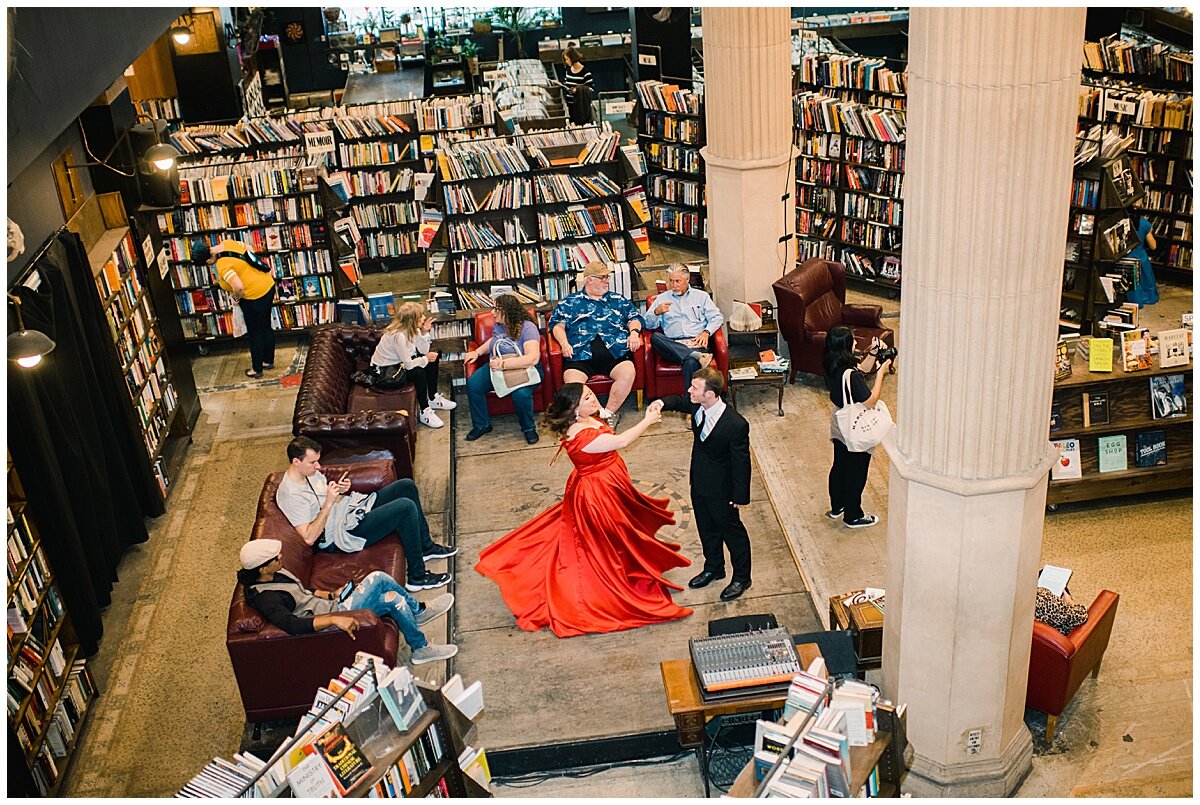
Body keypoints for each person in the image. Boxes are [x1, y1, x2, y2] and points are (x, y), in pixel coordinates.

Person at [475, 383, 693, 638]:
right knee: (602, 540)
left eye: (591, 393)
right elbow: (621, 441)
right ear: (574, 409)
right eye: (587, 397)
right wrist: (647, 421)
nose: (593, 398)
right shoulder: (582, 437)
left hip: (608, 482)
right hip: (598, 493)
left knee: (611, 535)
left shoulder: (587, 419)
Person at [237, 538, 457, 665]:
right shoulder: (267, 598)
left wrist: (332, 594)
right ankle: (418, 611)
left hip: (335, 605)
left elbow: (303, 592)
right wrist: (335, 618)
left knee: (394, 600)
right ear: (263, 568)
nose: (281, 558)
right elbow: (293, 625)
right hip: (333, 618)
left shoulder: (273, 573)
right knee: (378, 578)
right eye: (276, 558)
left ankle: (419, 648)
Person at [274, 436, 453, 592]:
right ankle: (417, 577)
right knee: (405, 507)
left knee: (406, 486)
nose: (318, 466)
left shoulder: (310, 473)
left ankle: (425, 548)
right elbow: (309, 538)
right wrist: (329, 503)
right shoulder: (290, 494)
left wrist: (341, 491)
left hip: (350, 510)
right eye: (312, 462)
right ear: (296, 462)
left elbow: (330, 498)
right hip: (339, 533)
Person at [650, 367, 753, 601]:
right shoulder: (697, 406)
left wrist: (740, 496)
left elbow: (741, 463)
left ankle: (741, 578)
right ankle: (714, 568)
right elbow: (677, 401)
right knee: (706, 529)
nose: (689, 391)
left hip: (723, 491)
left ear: (711, 393)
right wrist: (659, 403)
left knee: (732, 534)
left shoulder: (735, 424)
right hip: (699, 484)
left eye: (695, 388)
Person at [549, 261, 645, 429]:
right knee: (573, 385)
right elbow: (557, 325)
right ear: (589, 280)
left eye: (607, 277)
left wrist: (634, 333)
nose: (606, 281)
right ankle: (597, 415)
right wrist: (564, 343)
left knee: (628, 373)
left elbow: (634, 318)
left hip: (615, 354)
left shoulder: (617, 299)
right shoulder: (570, 302)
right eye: (602, 278)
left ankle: (609, 414)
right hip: (579, 356)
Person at [823, 325, 893, 529]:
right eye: (852, 340)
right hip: (855, 425)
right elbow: (870, 401)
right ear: (845, 346)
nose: (855, 342)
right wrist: (881, 374)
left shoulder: (832, 363)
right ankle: (853, 515)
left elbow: (859, 370)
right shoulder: (850, 376)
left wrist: (872, 353)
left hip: (840, 421)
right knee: (856, 471)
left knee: (840, 465)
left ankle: (838, 507)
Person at [463, 294, 543, 445]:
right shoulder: (499, 324)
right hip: (499, 365)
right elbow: (493, 341)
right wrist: (477, 352)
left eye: (496, 309)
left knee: (520, 394)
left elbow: (532, 358)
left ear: (508, 311)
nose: (492, 312)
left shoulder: (527, 327)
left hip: (523, 368)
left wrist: (504, 365)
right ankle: (482, 425)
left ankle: (528, 428)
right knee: (473, 384)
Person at [192, 239, 276, 378]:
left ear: (207, 261)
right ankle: (268, 361)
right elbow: (249, 248)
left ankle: (257, 369)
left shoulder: (222, 266)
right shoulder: (228, 242)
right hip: (267, 285)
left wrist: (236, 298)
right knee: (266, 325)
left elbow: (238, 287)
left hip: (253, 297)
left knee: (255, 332)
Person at [372, 301, 456, 429]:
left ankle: (433, 398)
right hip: (385, 373)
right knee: (418, 372)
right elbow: (409, 365)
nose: (423, 318)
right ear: (412, 320)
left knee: (432, 359)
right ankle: (424, 411)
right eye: (421, 316)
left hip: (398, 365)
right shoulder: (398, 335)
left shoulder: (411, 329)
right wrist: (425, 359)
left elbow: (424, 351)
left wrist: (424, 333)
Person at [643, 264, 725, 389]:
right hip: (672, 346)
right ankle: (695, 355)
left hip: (696, 342)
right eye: (671, 281)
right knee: (655, 337)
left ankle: (690, 403)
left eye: (677, 281)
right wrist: (656, 312)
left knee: (691, 363)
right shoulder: (662, 299)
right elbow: (647, 324)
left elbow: (717, 317)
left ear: (687, 279)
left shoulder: (701, 297)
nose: (674, 285)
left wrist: (706, 332)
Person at [1124, 214, 1158, 307]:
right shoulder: (1143, 223)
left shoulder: (1116, 221)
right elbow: (1153, 246)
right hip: (1140, 258)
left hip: (1124, 257)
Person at [560, 47, 594, 125]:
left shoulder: (585, 72)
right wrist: (561, 84)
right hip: (570, 106)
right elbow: (567, 85)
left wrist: (577, 90)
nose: (566, 61)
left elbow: (591, 89)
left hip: (581, 109)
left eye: (567, 59)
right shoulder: (568, 71)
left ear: (572, 58)